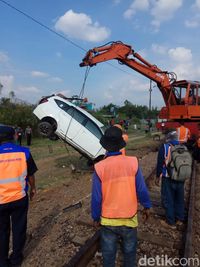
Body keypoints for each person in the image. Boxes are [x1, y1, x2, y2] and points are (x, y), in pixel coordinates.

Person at [91, 126, 151, 267]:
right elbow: (141, 189)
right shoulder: (133, 162)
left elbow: (96, 198)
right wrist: (147, 206)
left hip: (108, 221)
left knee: (108, 254)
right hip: (129, 219)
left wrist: (95, 217)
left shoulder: (99, 167)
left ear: (105, 145)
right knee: (130, 253)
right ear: (120, 144)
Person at [0, 125, 38, 267]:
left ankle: (2, 261)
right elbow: (31, 175)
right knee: (19, 229)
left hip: (1, 201)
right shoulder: (24, 152)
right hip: (19, 198)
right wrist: (32, 188)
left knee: (2, 231)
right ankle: (16, 260)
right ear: (14, 136)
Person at [155, 131, 185, 229]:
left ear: (168, 138)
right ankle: (180, 219)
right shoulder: (183, 147)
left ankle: (170, 222)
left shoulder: (164, 147)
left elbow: (160, 164)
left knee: (168, 199)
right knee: (179, 199)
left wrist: (157, 176)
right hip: (180, 178)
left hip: (168, 177)